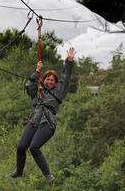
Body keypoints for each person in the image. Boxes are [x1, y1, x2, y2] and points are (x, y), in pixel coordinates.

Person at [10, 47, 76, 184]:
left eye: (52, 80)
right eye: (47, 79)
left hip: (48, 122)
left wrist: (69, 61)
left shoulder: (59, 92)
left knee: (34, 147)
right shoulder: (38, 90)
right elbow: (29, 86)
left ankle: (48, 175)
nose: (50, 81)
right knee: (21, 147)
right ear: (44, 80)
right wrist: (37, 71)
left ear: (56, 83)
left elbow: (66, 76)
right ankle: (19, 171)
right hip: (35, 120)